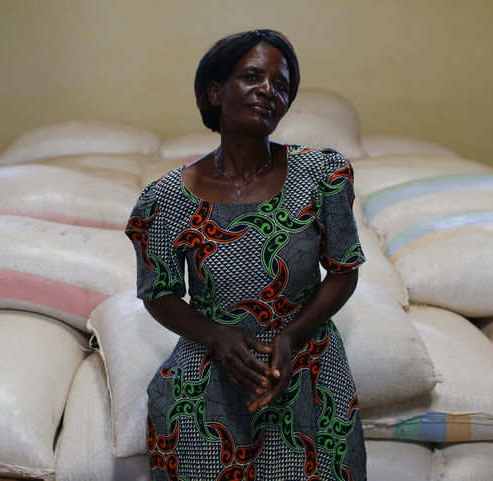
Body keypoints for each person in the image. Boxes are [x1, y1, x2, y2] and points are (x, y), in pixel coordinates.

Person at [126, 29, 366, 481]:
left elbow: (343, 271)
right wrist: (218, 336)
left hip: (305, 358)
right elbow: (157, 292)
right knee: (174, 407)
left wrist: (290, 336)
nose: (268, 91)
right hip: (214, 359)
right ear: (216, 92)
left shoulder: (322, 174)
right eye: (252, 76)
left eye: (281, 85)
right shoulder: (165, 200)